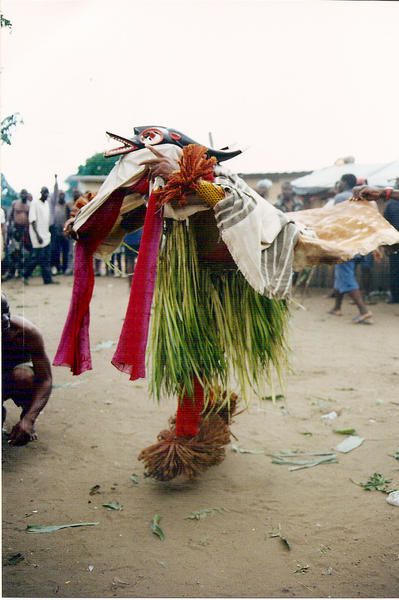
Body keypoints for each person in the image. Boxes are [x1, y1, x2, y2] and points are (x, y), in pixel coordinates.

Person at [2, 293, 52, 446]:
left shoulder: (26, 333)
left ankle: (26, 416)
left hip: (13, 377)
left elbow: (45, 380)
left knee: (24, 376)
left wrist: (29, 419)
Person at [327, 174, 372, 322]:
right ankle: (337, 307)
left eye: (340, 182)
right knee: (342, 274)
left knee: (345, 276)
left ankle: (363, 310)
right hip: (359, 242)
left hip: (345, 242)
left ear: (344, 183)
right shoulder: (361, 197)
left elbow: (336, 220)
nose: (338, 184)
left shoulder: (340, 197)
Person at [353, 184, 399, 304]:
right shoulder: (388, 204)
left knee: (395, 272)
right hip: (389, 244)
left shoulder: (388, 205)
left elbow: (384, 225)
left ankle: (395, 298)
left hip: (392, 244)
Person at [23, 186, 57, 285]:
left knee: (46, 258)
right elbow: (32, 221)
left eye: (47, 193)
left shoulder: (46, 204)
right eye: (45, 193)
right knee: (36, 258)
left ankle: (47, 279)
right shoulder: (34, 203)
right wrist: (37, 236)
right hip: (37, 236)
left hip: (46, 235)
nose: (46, 195)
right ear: (41, 193)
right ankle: (25, 275)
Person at [4, 189, 32, 279]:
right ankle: (11, 272)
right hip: (16, 230)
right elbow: (10, 216)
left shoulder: (29, 205)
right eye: (22, 194)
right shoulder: (15, 203)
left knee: (25, 252)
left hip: (26, 230)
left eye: (25, 194)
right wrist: (10, 227)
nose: (24, 195)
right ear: (20, 195)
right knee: (14, 251)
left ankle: (21, 271)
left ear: (27, 195)